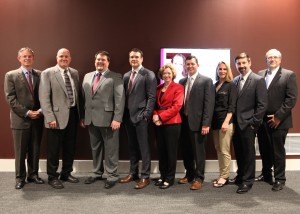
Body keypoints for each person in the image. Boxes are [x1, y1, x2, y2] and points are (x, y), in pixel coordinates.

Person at [80, 51, 125, 189]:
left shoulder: (115, 77)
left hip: (109, 120)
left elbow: (120, 99)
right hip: (91, 119)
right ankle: (96, 173)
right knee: (95, 148)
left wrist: (117, 118)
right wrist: (83, 116)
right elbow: (84, 98)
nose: (100, 62)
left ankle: (112, 175)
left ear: (108, 62)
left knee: (111, 149)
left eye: (103, 60)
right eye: (98, 59)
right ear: (95, 61)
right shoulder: (87, 76)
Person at [256, 49, 298, 191]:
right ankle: (266, 174)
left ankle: (280, 178)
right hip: (262, 120)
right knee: (264, 149)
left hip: (280, 120)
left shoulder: (288, 75)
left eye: (275, 57)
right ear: (266, 60)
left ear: (280, 59)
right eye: (269, 57)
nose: (272, 59)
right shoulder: (261, 74)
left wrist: (278, 116)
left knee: (277, 151)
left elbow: (291, 99)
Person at [39, 48, 80, 189]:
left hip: (73, 115)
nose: (64, 58)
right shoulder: (47, 73)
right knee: (53, 149)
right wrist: (50, 117)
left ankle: (66, 173)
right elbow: (44, 98)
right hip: (55, 117)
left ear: (70, 58)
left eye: (66, 56)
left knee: (70, 147)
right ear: (57, 58)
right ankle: (52, 176)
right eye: (61, 56)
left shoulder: (74, 73)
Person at [4, 47, 44, 189]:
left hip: (37, 118)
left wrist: (39, 111)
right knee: (20, 151)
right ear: (19, 58)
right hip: (20, 119)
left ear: (33, 58)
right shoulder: (11, 75)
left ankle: (33, 175)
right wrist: (27, 112)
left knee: (35, 148)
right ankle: (20, 178)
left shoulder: (40, 75)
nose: (27, 58)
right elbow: (11, 98)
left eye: (29, 56)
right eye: (24, 56)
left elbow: (45, 96)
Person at [119, 48, 157, 189]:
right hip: (128, 116)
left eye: (136, 57)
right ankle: (133, 173)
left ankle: (145, 176)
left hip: (141, 117)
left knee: (144, 147)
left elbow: (152, 96)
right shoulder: (126, 75)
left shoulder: (148, 74)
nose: (134, 59)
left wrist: (146, 115)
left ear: (142, 59)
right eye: (131, 57)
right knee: (132, 146)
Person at [230, 52, 268, 194]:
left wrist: (254, 123)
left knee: (248, 153)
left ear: (249, 62)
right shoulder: (235, 80)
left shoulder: (258, 80)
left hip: (249, 125)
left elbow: (262, 105)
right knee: (239, 152)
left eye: (244, 63)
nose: (241, 66)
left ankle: (248, 181)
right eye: (239, 64)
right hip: (236, 124)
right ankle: (240, 176)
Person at [178, 55, 215, 190]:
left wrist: (206, 123)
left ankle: (199, 178)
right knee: (186, 151)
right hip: (183, 122)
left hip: (199, 124)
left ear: (197, 65)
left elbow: (209, 104)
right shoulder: (182, 81)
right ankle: (189, 174)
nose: (190, 66)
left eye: (192, 64)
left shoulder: (206, 81)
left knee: (199, 152)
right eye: (187, 64)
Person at [152, 64, 184, 189]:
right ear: (161, 75)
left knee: (171, 152)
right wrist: (155, 117)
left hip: (173, 123)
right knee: (161, 151)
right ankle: (162, 175)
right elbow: (155, 106)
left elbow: (177, 107)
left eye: (169, 73)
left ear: (173, 74)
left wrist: (160, 117)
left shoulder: (178, 87)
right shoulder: (158, 88)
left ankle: (170, 178)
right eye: (164, 73)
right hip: (158, 123)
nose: (167, 75)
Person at [211, 61, 237, 188]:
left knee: (224, 150)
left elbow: (232, 106)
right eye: (220, 69)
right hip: (215, 124)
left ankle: (225, 177)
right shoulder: (215, 85)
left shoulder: (231, 85)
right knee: (218, 149)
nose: (222, 71)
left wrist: (226, 122)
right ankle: (222, 174)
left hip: (225, 123)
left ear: (228, 71)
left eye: (224, 69)